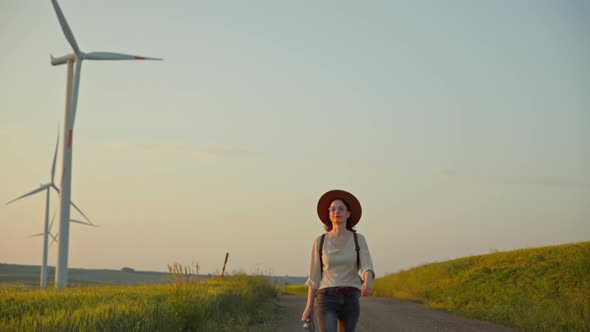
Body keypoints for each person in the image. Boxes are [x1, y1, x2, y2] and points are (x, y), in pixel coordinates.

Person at [301, 189, 375, 332]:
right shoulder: (320, 241)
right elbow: (314, 278)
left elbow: (367, 266)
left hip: (351, 298)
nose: (337, 211)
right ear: (329, 214)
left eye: (341, 208)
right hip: (326, 298)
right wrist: (308, 307)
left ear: (348, 213)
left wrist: (368, 282)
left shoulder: (358, 239)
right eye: (333, 209)